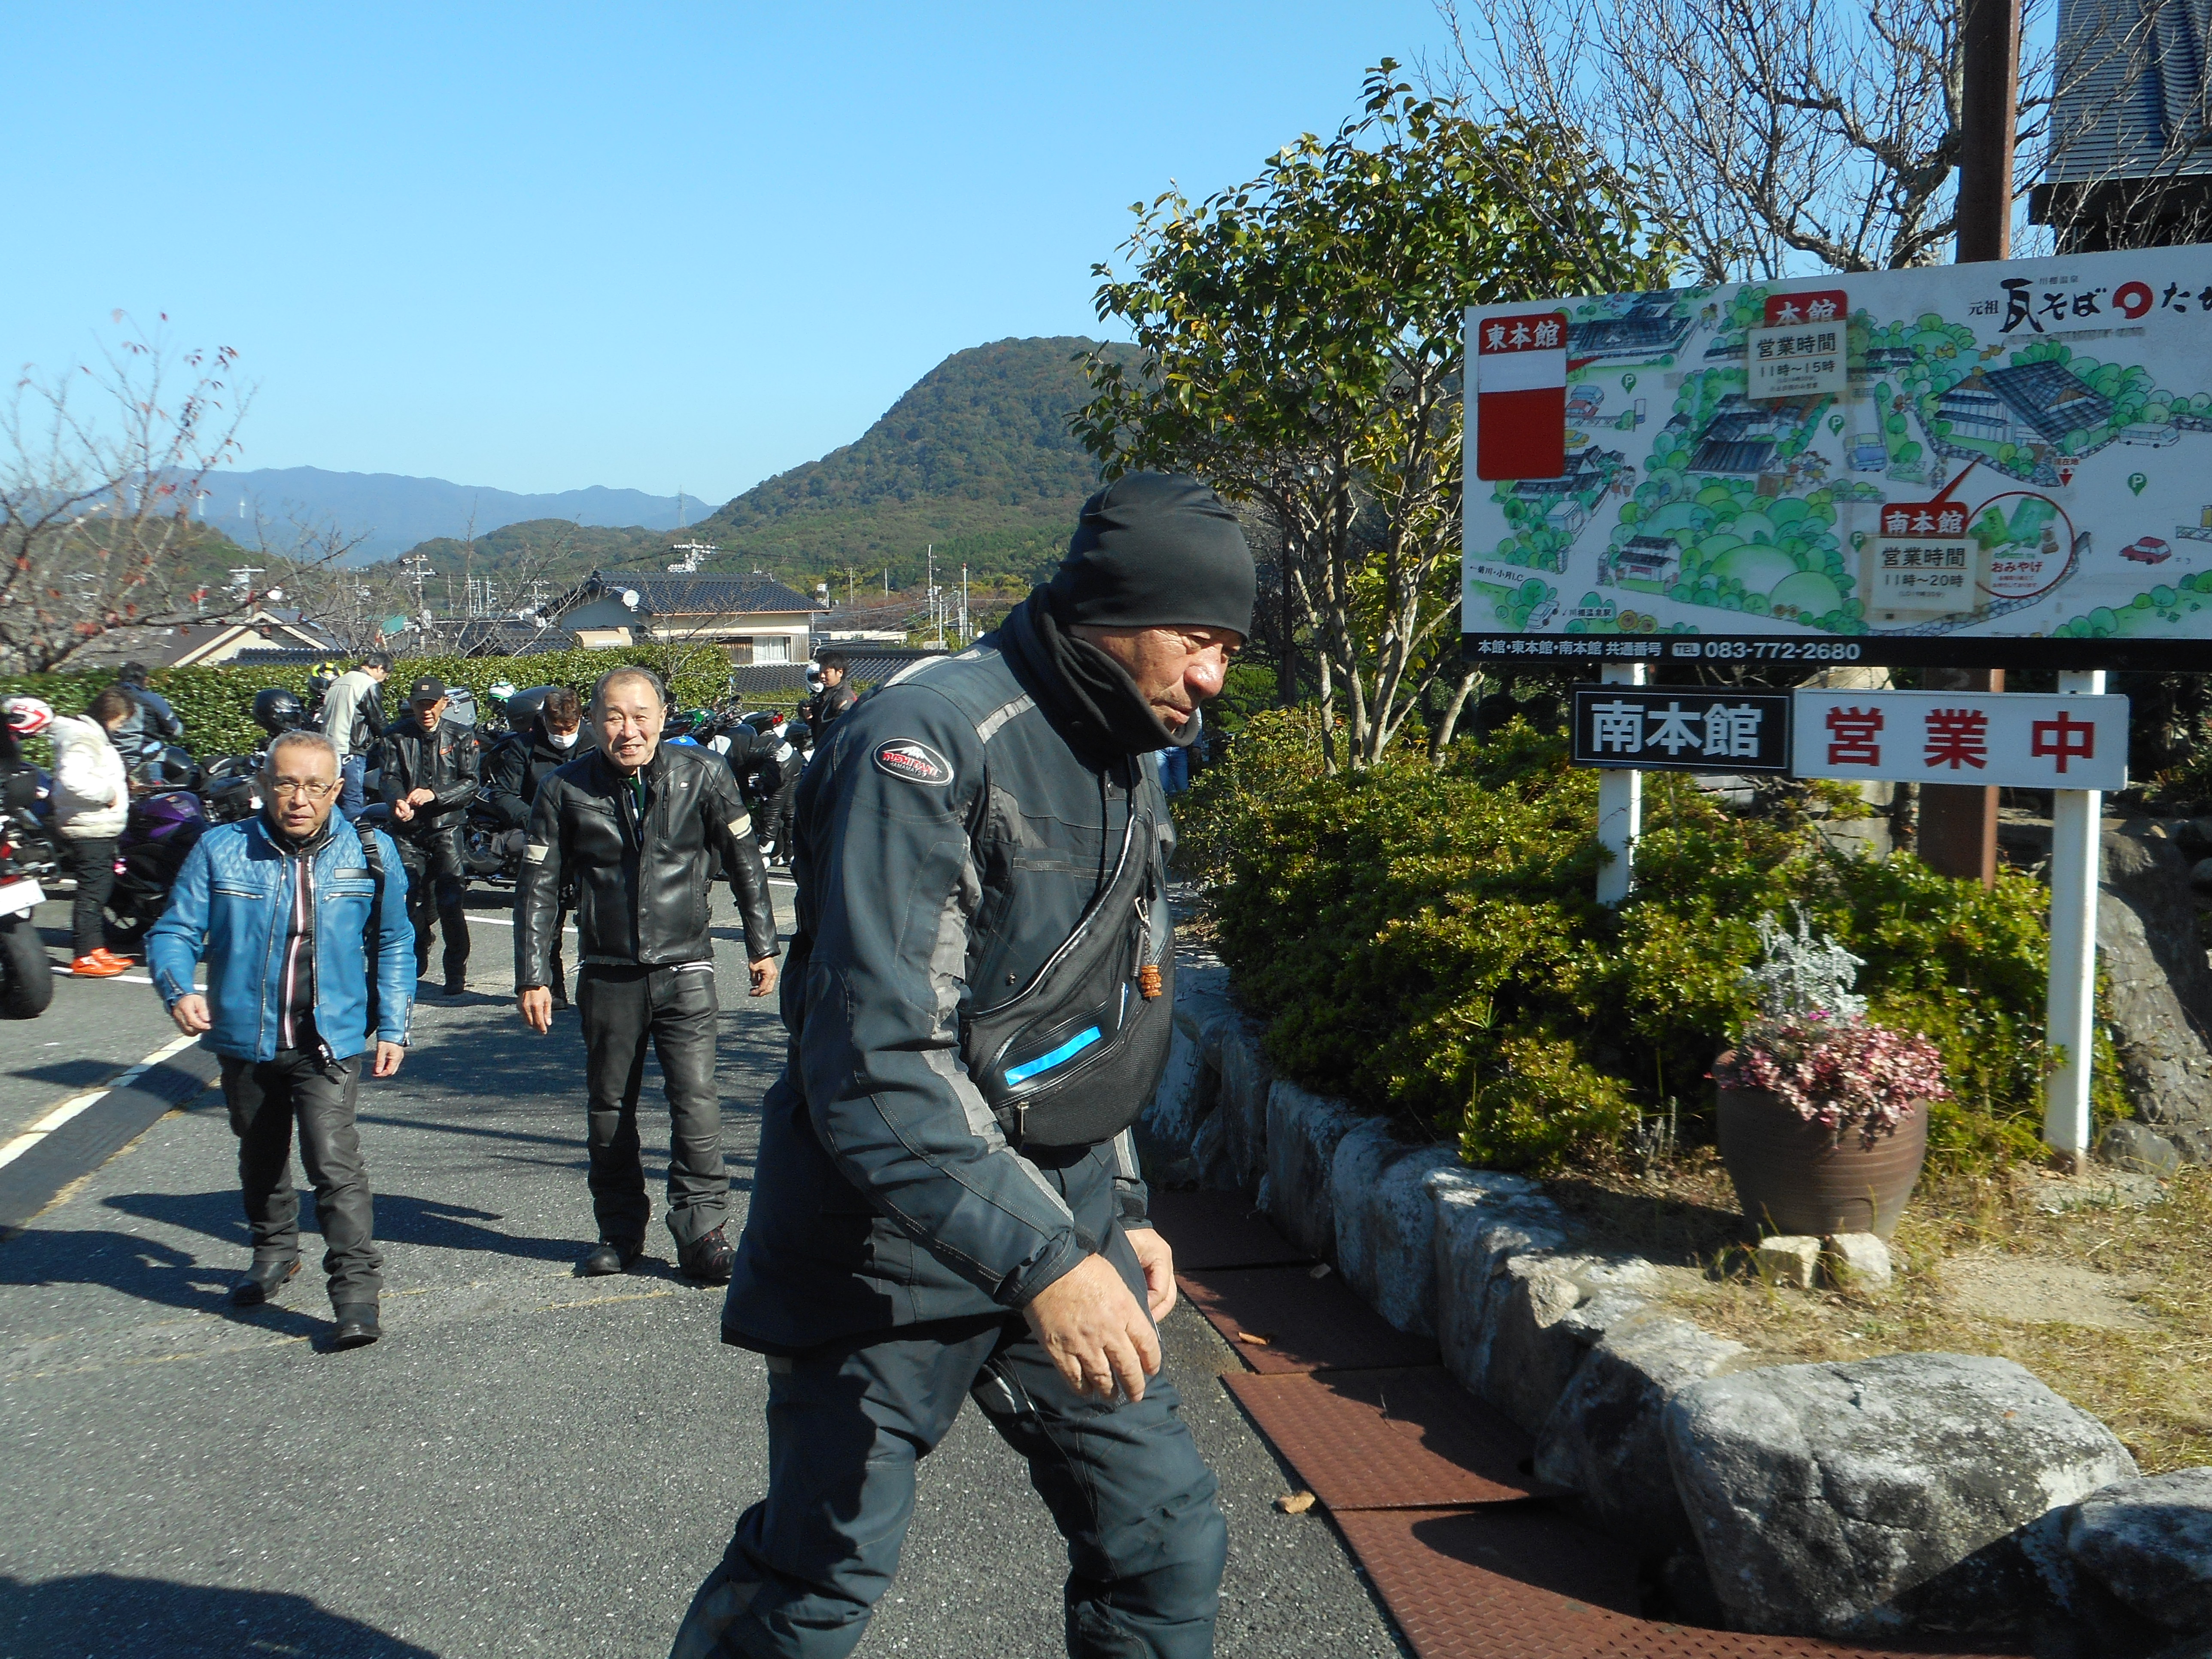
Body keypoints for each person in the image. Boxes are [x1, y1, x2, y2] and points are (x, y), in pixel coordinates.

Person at [676, 472, 1251, 1659]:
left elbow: (1093, 1011)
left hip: (1060, 1216)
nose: (1212, 677)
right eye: (1196, 639)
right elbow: (875, 1060)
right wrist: (1049, 1260)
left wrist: (1124, 1208)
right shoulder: (928, 739)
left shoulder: (1129, 743)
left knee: (1165, 1542)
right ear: (1113, 608)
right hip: (883, 1238)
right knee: (820, 1575)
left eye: (1230, 650)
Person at [147, 729, 414, 1350]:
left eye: (315, 786)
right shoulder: (221, 848)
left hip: (330, 1039)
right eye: (287, 783)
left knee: (333, 1163)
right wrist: (178, 989)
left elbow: (395, 939)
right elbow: (174, 930)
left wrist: (395, 1025)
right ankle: (274, 1250)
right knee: (260, 1152)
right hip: (247, 1038)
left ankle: (356, 1294)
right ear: (264, 785)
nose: (300, 799)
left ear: (337, 790)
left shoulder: (370, 851)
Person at [512, 667, 781, 1283]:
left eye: (640, 716)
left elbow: (744, 860)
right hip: (608, 971)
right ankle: (619, 1231)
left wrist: (762, 944)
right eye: (614, 716)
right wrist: (534, 975)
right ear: (593, 721)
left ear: (662, 717)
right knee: (609, 1110)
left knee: (696, 1104)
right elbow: (539, 886)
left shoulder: (704, 774)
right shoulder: (562, 788)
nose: (627, 730)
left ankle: (703, 1232)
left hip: (686, 965)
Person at [483, 684, 586, 1006]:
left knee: (598, 920)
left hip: (589, 840)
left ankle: (596, 988)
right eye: (557, 728)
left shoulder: (595, 744)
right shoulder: (522, 748)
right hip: (544, 840)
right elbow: (503, 794)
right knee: (546, 921)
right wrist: (537, 820)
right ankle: (552, 986)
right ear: (544, 721)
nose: (563, 735)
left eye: (570, 727)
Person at [379, 675, 479, 996]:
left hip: (447, 827)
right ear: (411, 705)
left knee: (450, 902)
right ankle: (417, 947)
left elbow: (470, 783)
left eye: (432, 704)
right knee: (405, 898)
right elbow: (389, 776)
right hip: (408, 831)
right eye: (420, 705)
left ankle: (455, 970)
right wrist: (397, 800)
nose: (426, 711)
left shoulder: (461, 736)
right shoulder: (395, 736)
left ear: (444, 704)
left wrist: (435, 795)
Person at [51, 687, 138, 978]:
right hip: (89, 825)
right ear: (110, 715)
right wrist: (108, 794)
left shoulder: (90, 735)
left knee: (99, 889)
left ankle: (95, 948)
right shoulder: (83, 737)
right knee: (92, 892)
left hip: (95, 823)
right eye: (121, 721)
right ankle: (85, 955)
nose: (120, 727)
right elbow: (73, 779)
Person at [320, 653, 392, 821]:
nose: (384, 680)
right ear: (380, 668)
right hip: (351, 750)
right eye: (386, 675)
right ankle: (350, 834)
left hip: (328, 748)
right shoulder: (367, 683)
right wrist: (391, 737)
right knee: (352, 802)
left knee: (332, 798)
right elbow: (378, 719)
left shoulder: (339, 681)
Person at [109, 662, 184, 780]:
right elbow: (175, 731)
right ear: (146, 680)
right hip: (144, 762)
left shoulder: (106, 699)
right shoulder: (152, 699)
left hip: (109, 763)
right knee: (152, 791)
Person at [804, 651, 856, 736]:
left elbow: (844, 731)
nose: (822, 676)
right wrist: (810, 717)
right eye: (820, 672)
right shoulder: (825, 694)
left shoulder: (845, 698)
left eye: (826, 672)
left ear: (840, 672)